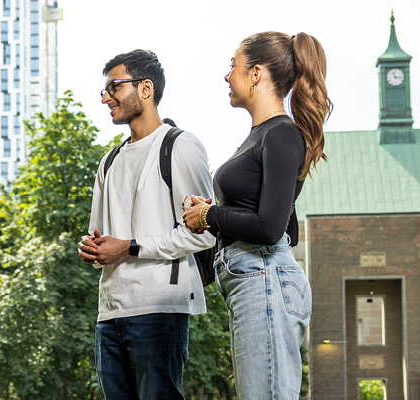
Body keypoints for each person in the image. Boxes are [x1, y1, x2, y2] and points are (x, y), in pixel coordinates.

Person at [182, 32, 331, 399]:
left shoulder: (281, 133)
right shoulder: (260, 136)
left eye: (233, 66)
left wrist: (209, 215)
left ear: (256, 74)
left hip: (264, 278)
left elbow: (270, 228)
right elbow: (274, 219)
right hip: (251, 280)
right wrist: (213, 211)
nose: (227, 75)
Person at [77, 49, 216, 399]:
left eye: (114, 87)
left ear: (146, 88)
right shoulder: (108, 161)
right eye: (105, 90)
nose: (106, 97)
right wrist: (91, 248)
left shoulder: (180, 146)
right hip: (109, 311)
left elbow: (205, 233)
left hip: (159, 307)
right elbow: (101, 234)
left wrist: (129, 247)